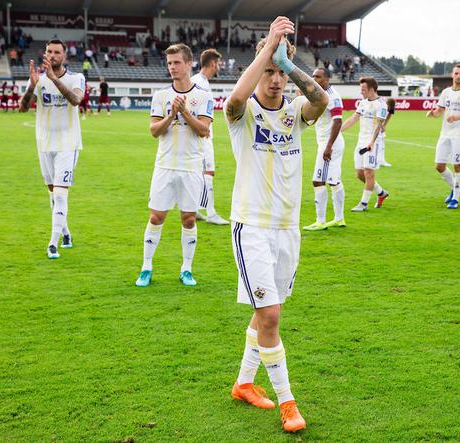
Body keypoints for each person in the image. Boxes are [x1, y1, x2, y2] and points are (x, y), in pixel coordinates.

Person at [223, 16, 328, 433]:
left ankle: (244, 384)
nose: (274, 80)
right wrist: (268, 48)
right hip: (252, 227)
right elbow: (234, 98)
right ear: (257, 68)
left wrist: (287, 63)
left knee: (265, 313)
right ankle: (289, 404)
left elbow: (319, 101)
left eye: (278, 72)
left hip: (288, 229)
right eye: (268, 71)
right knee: (270, 315)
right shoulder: (242, 113)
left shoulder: (293, 112)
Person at [134, 44, 213, 288]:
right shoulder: (160, 96)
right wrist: (171, 115)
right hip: (165, 165)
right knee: (156, 216)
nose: (172, 68)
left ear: (189, 64)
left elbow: (204, 130)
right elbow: (154, 131)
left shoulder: (203, 96)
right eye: (169, 63)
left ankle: (186, 269)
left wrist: (185, 112)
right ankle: (146, 267)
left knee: (188, 219)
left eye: (177, 63)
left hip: (190, 166)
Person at [18, 39, 85, 259]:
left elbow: (76, 100)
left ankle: (53, 243)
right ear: (45, 54)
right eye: (49, 51)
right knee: (52, 192)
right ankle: (65, 233)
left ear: (64, 56)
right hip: (44, 143)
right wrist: (31, 86)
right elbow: (22, 108)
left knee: (61, 193)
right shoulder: (38, 80)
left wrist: (55, 80)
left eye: (57, 52)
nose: (53, 55)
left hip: (68, 143)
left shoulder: (76, 78)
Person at [426, 64, 460, 209]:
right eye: (456, 73)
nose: (459, 76)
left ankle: (455, 198)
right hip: (445, 134)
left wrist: (457, 116)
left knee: (457, 166)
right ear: (452, 75)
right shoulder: (446, 92)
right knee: (439, 165)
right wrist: (433, 114)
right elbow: (440, 111)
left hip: (459, 135)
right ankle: (456, 187)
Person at [302, 67, 346, 231]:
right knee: (334, 180)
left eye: (318, 76)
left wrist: (328, 147)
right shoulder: (320, 95)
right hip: (328, 143)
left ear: (327, 79)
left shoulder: (333, 97)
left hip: (330, 144)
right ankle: (339, 219)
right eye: (313, 76)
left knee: (318, 180)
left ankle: (320, 221)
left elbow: (338, 122)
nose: (314, 78)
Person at [190, 48, 229, 225]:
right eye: (218, 63)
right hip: (202, 136)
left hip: (198, 135)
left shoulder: (197, 81)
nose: (219, 67)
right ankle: (211, 213)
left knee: (199, 173)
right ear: (213, 63)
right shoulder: (200, 83)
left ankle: (195, 209)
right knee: (208, 172)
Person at [341, 77, 390, 212]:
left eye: (363, 89)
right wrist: (338, 131)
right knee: (359, 174)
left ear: (372, 89)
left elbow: (378, 125)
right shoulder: (362, 103)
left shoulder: (381, 105)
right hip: (361, 141)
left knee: (369, 173)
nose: (361, 92)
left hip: (373, 142)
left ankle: (364, 203)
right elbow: (353, 119)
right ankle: (381, 193)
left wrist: (372, 142)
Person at [376, 98, 396, 167]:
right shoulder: (381, 105)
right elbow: (377, 119)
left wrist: (384, 125)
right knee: (377, 143)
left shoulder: (392, 106)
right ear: (387, 104)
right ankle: (376, 162)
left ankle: (382, 161)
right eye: (389, 107)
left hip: (381, 124)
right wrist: (381, 126)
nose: (389, 109)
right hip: (374, 124)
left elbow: (389, 115)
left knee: (382, 142)